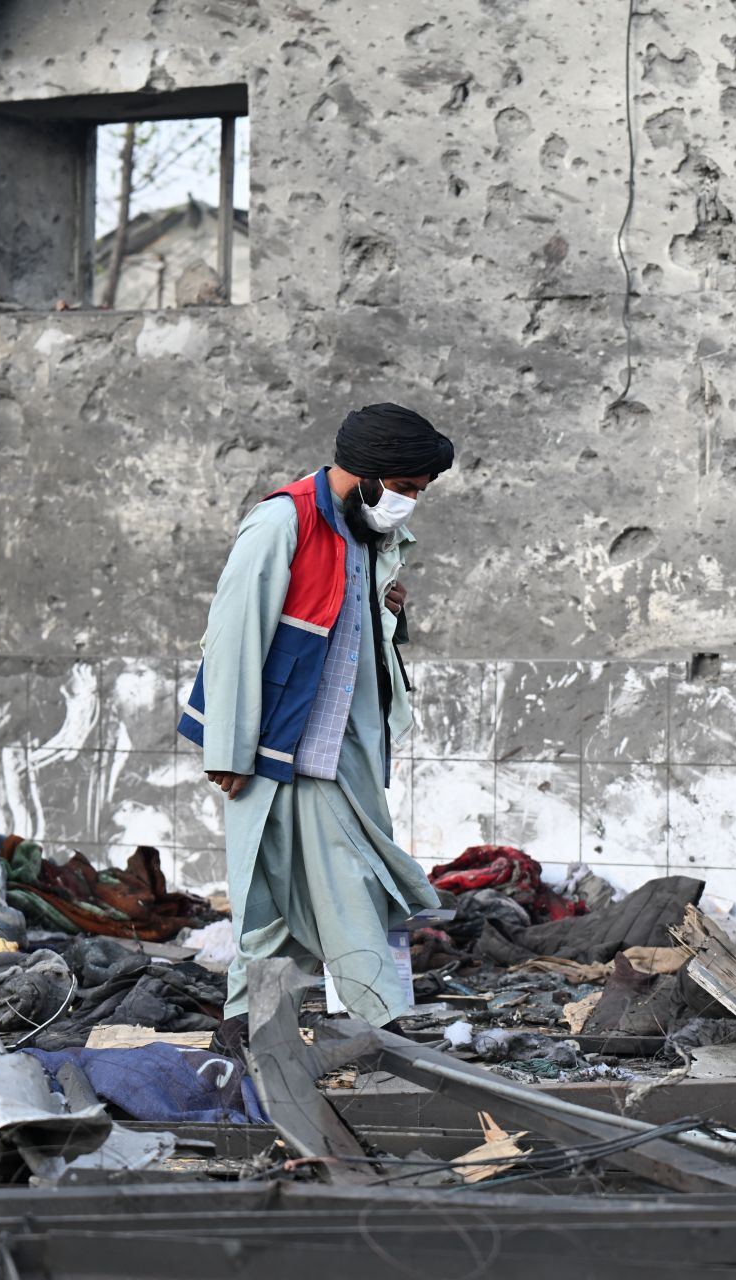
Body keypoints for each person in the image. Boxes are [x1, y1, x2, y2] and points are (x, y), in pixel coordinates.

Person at [179, 403, 453, 1056]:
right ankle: (386, 1029)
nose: (410, 503)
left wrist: (388, 606)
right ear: (367, 474)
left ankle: (249, 1030)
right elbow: (234, 635)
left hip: (343, 751)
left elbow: (352, 632)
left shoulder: (364, 530)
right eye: (407, 488)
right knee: (347, 886)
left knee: (274, 905)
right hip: (281, 751)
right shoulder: (282, 521)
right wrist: (229, 749)